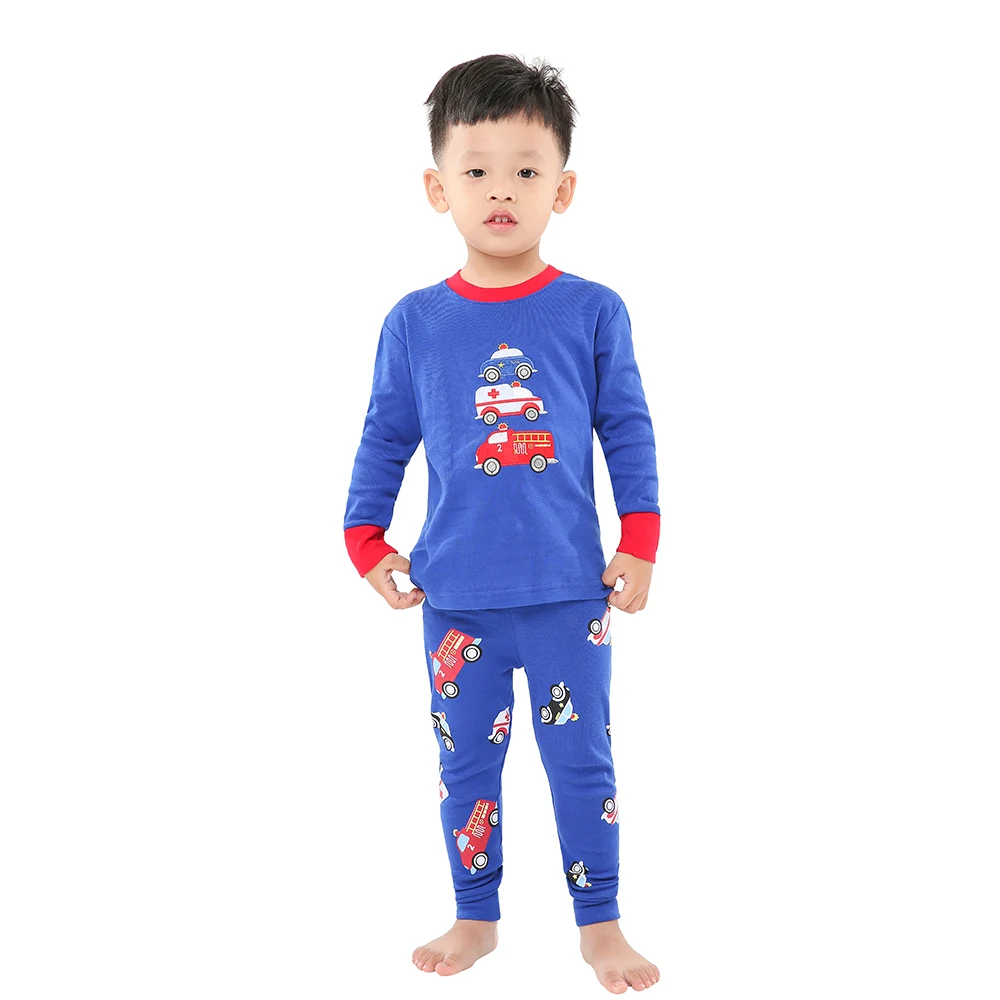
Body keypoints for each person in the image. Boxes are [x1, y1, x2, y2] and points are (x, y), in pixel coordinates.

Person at [343, 54, 661, 994]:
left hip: (570, 594)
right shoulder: (415, 323)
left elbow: (627, 428)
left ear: (562, 189)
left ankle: (600, 925)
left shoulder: (592, 311)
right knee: (466, 771)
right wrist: (365, 539)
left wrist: (640, 540)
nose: (500, 190)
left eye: (526, 170)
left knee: (581, 762)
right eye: (476, 169)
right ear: (437, 187)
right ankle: (475, 915)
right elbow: (385, 436)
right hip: (457, 600)